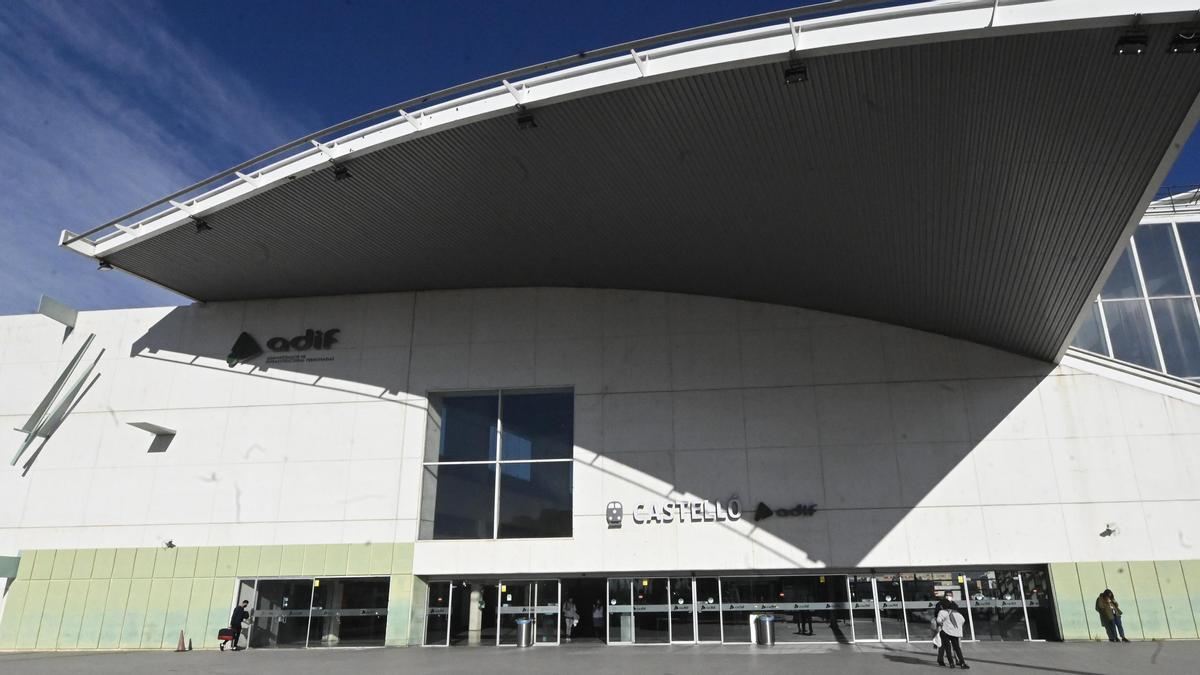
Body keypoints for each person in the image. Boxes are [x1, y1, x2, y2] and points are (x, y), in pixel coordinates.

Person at [935, 599, 968, 669]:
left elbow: (938, 620)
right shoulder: (958, 614)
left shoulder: (942, 612)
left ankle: (951, 663)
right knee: (957, 648)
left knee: (947, 647)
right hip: (955, 632)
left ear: (943, 606)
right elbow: (963, 621)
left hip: (945, 632)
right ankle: (962, 663)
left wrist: (942, 624)